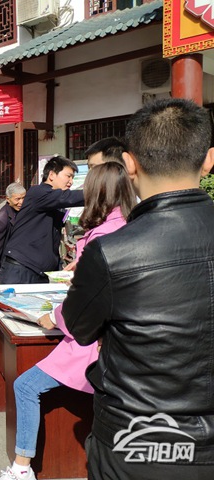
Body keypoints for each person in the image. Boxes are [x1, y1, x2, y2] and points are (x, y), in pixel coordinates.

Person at [63, 98, 214, 479]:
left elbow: (79, 327)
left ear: (129, 164)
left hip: (137, 439)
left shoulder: (111, 251)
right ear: (209, 160)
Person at [0, 162, 136, 480]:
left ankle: (21, 469)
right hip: (117, 336)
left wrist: (55, 316)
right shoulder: (125, 224)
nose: (73, 185)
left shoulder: (102, 236)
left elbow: (88, 300)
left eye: (82, 181)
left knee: (25, 385)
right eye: (69, 176)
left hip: (92, 338)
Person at [0, 156, 84, 284]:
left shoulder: (54, 201)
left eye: (73, 178)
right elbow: (69, 197)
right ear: (51, 175)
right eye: (68, 176)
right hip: (21, 269)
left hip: (40, 272)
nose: (71, 182)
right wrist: (102, 192)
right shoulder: (38, 193)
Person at [0, 182, 26, 283]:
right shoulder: (1, 220)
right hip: (6, 269)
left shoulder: (19, 212)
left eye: (23, 198)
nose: (21, 202)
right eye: (17, 199)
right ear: (8, 199)